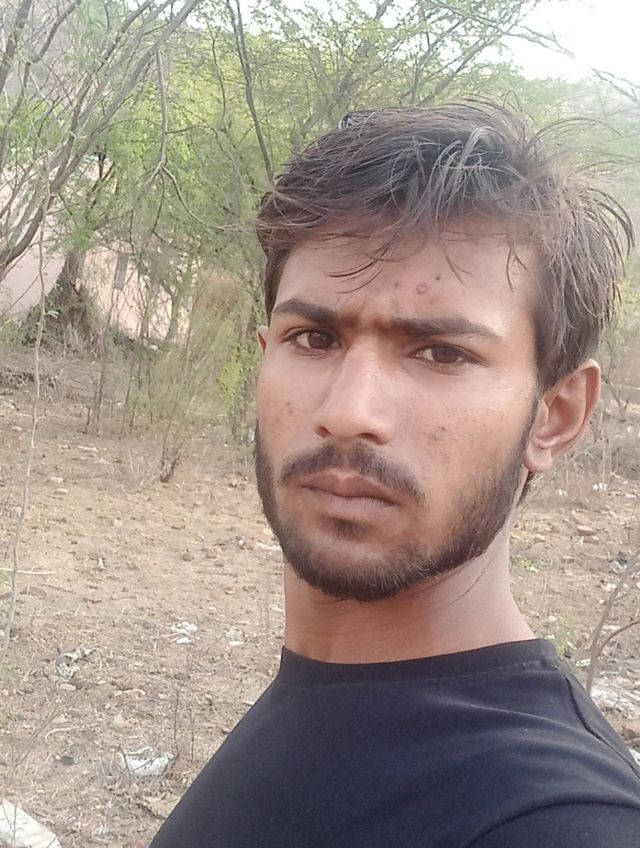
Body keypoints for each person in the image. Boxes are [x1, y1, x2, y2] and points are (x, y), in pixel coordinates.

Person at [150, 102, 640, 847]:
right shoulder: (324, 689)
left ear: (555, 416)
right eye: (314, 337)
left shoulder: (559, 820)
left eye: (442, 353)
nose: (349, 412)